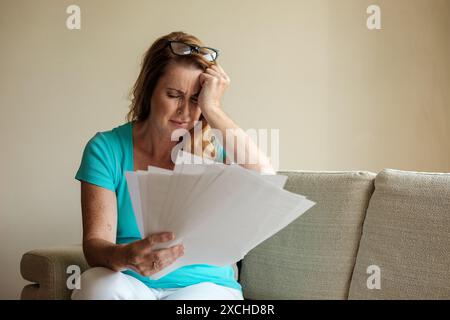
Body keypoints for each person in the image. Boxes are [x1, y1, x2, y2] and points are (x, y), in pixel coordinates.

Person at [71, 31, 274, 300]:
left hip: (205, 287)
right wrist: (125, 256)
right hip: (132, 282)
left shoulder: (218, 147)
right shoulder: (106, 148)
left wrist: (212, 108)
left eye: (195, 99)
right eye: (174, 95)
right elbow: (96, 245)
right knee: (96, 285)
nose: (185, 112)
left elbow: (266, 179)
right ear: (148, 91)